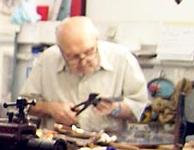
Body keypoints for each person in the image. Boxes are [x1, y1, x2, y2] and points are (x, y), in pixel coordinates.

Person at [20, 16, 148, 132]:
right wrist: (50, 108)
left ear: (97, 40)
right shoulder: (47, 60)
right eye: (74, 57)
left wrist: (115, 108)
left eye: (89, 52)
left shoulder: (122, 58)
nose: (83, 62)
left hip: (107, 148)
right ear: (61, 50)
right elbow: (24, 104)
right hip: (58, 146)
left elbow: (139, 107)